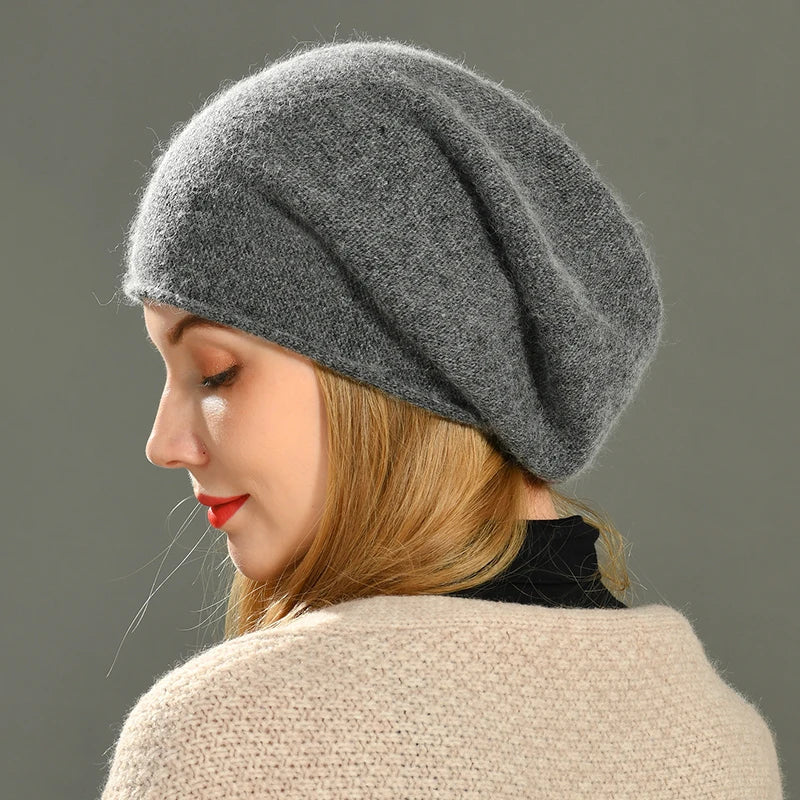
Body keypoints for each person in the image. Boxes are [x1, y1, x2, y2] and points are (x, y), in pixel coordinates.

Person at [100, 36, 785, 798]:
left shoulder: (226, 741)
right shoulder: (723, 745)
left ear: (397, 370)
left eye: (214, 372)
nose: (164, 443)